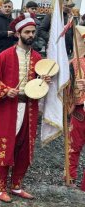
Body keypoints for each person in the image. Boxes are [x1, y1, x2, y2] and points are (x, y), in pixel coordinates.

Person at [0, 13, 51, 203]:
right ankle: (0, 188)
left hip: (29, 108)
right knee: (5, 147)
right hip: (8, 108)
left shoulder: (38, 57)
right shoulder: (5, 55)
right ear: (17, 33)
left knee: (24, 148)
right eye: (27, 32)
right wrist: (6, 90)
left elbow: (39, 86)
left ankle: (16, 186)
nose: (31, 35)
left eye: (33, 32)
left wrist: (43, 81)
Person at [66, 26, 85, 191]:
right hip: (80, 110)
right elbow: (65, 88)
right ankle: (70, 176)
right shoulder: (74, 63)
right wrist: (74, 85)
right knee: (74, 146)